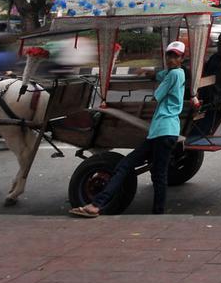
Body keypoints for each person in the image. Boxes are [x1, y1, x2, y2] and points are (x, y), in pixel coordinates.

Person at [69, 41, 187, 217]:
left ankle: (155, 213)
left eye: (175, 56)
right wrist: (150, 72)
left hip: (164, 131)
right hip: (160, 132)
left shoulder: (175, 74)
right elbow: (161, 75)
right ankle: (98, 205)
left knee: (154, 174)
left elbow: (157, 95)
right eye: (169, 55)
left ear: (181, 59)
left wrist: (156, 75)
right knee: (135, 168)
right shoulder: (177, 73)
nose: (171, 59)